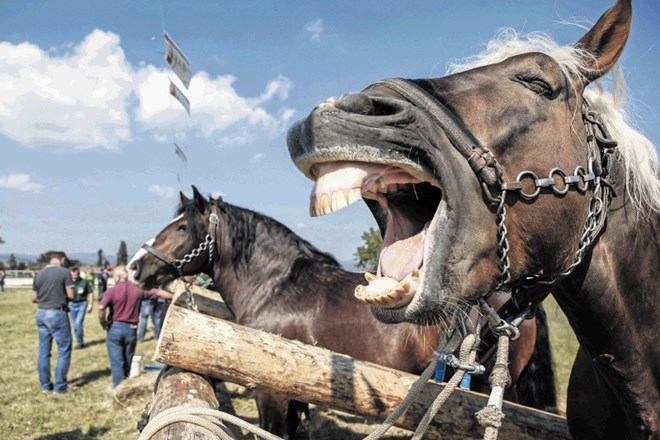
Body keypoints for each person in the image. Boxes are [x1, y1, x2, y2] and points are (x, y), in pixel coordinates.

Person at [98, 266, 173, 388]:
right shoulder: (137, 289)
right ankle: (125, 382)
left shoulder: (111, 291)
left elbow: (101, 308)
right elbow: (158, 293)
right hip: (131, 329)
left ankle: (118, 388)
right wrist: (177, 297)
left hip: (114, 328)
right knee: (128, 360)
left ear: (117, 277)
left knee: (117, 362)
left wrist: (103, 322)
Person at [31, 251, 75, 393]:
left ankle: (45, 385)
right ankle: (60, 385)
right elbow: (71, 295)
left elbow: (33, 298)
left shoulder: (39, 274)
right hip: (56, 312)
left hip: (41, 312)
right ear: (62, 260)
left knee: (44, 350)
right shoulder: (65, 272)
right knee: (63, 349)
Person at [68, 267, 94, 348]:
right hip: (72, 304)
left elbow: (90, 293)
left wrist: (90, 305)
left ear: (78, 275)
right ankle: (79, 340)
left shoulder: (84, 282)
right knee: (75, 325)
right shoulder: (68, 282)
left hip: (82, 304)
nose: (73, 278)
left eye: (75, 276)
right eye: (72, 276)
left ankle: (79, 343)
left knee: (78, 323)